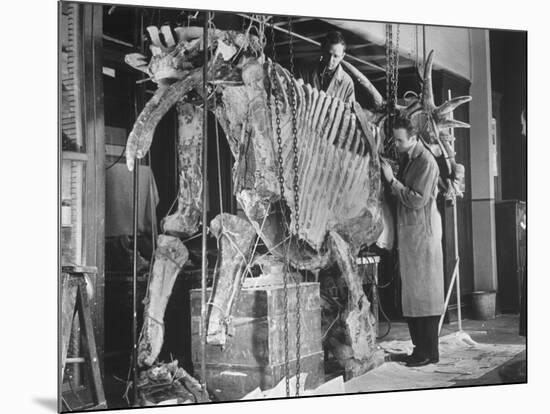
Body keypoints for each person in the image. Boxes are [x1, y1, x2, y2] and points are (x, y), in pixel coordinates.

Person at [380, 114, 445, 367]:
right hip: (411, 234)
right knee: (415, 296)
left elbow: (417, 199)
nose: (395, 145)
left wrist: (391, 181)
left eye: (399, 140)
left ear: (414, 138)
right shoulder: (410, 157)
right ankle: (422, 349)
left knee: (425, 295)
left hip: (422, 234)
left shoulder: (426, 161)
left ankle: (428, 352)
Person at [297, 31, 355, 104]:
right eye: (328, 54)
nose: (330, 61)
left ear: (342, 56)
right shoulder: (305, 70)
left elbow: (349, 112)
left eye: (336, 56)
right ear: (322, 49)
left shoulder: (347, 83)